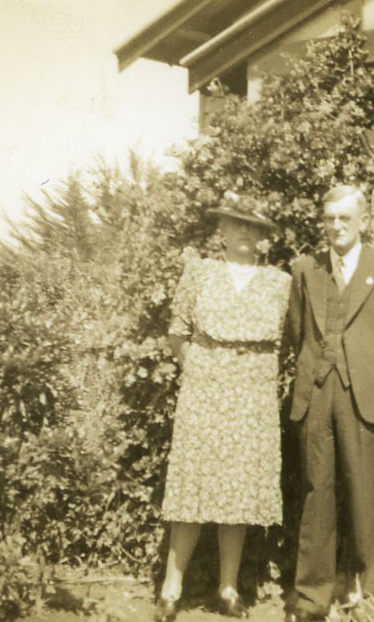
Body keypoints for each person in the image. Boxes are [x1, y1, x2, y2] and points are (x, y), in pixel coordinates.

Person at [155, 192, 290, 622]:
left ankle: (227, 589)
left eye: (253, 226)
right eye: (236, 223)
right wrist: (196, 366)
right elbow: (178, 331)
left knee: (239, 493)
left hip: (252, 395)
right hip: (205, 391)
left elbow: (291, 341)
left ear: (265, 237)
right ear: (222, 231)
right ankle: (171, 589)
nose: (245, 231)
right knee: (192, 489)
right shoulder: (199, 273)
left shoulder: (280, 283)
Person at [285, 185, 374, 621]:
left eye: (345, 218)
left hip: (365, 396)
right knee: (315, 495)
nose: (336, 227)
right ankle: (311, 599)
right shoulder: (306, 270)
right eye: (329, 219)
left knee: (362, 495)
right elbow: (297, 332)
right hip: (316, 393)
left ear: (362, 221)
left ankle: (364, 594)